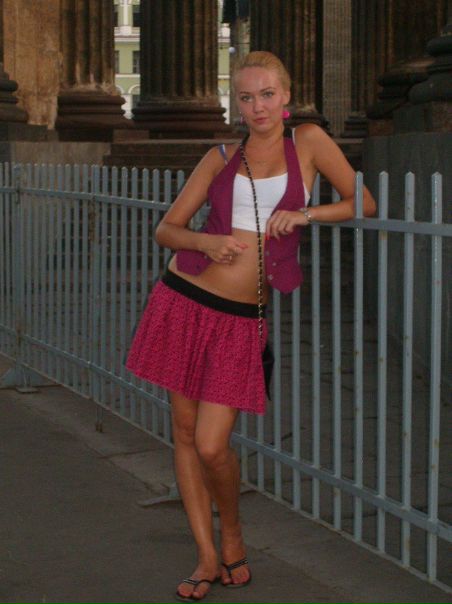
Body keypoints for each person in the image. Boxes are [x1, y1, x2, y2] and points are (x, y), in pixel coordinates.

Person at [125, 51, 376, 601]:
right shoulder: (219, 157)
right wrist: (206, 241)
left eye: (266, 94)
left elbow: (363, 201)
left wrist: (307, 214)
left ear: (285, 97)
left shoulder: (308, 142)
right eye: (245, 97)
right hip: (184, 301)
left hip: (241, 320)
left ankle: (233, 532)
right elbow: (167, 229)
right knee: (184, 434)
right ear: (235, 104)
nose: (257, 106)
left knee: (212, 445)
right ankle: (206, 554)